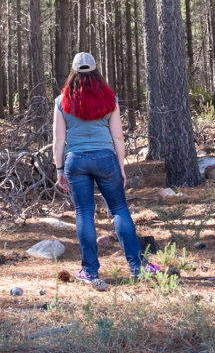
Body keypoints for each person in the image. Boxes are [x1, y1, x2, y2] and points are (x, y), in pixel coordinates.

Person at [52, 52, 161, 290]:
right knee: (119, 210)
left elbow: (59, 140)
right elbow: (118, 137)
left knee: (84, 214)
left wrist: (59, 168)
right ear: (96, 71)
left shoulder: (62, 101)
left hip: (75, 161)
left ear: (73, 72)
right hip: (105, 159)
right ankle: (137, 267)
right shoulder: (109, 99)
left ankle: (90, 271)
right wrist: (120, 167)